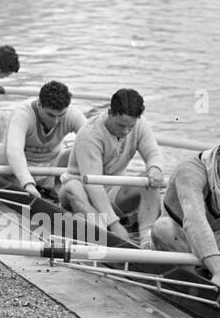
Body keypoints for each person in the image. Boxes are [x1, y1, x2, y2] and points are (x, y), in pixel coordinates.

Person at [150, 123, 220, 292]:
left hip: (217, 240)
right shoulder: (190, 171)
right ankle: (195, 284)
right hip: (183, 241)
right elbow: (195, 222)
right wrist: (218, 270)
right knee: (163, 228)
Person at [59, 87, 165, 247]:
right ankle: (104, 230)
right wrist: (115, 224)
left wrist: (155, 169)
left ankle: (146, 237)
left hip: (111, 193)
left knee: (149, 180)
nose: (126, 131)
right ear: (110, 112)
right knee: (73, 187)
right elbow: (93, 185)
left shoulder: (139, 125)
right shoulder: (90, 134)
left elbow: (153, 154)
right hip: (82, 191)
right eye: (121, 125)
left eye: (130, 127)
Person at [0, 80, 86, 199]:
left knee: (79, 150)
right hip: (20, 167)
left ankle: (56, 188)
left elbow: (92, 141)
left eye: (60, 115)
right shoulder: (23, 114)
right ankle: (23, 188)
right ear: (39, 104)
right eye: (50, 115)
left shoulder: (72, 114)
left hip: (53, 167)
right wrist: (27, 183)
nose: (55, 121)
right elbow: (14, 152)